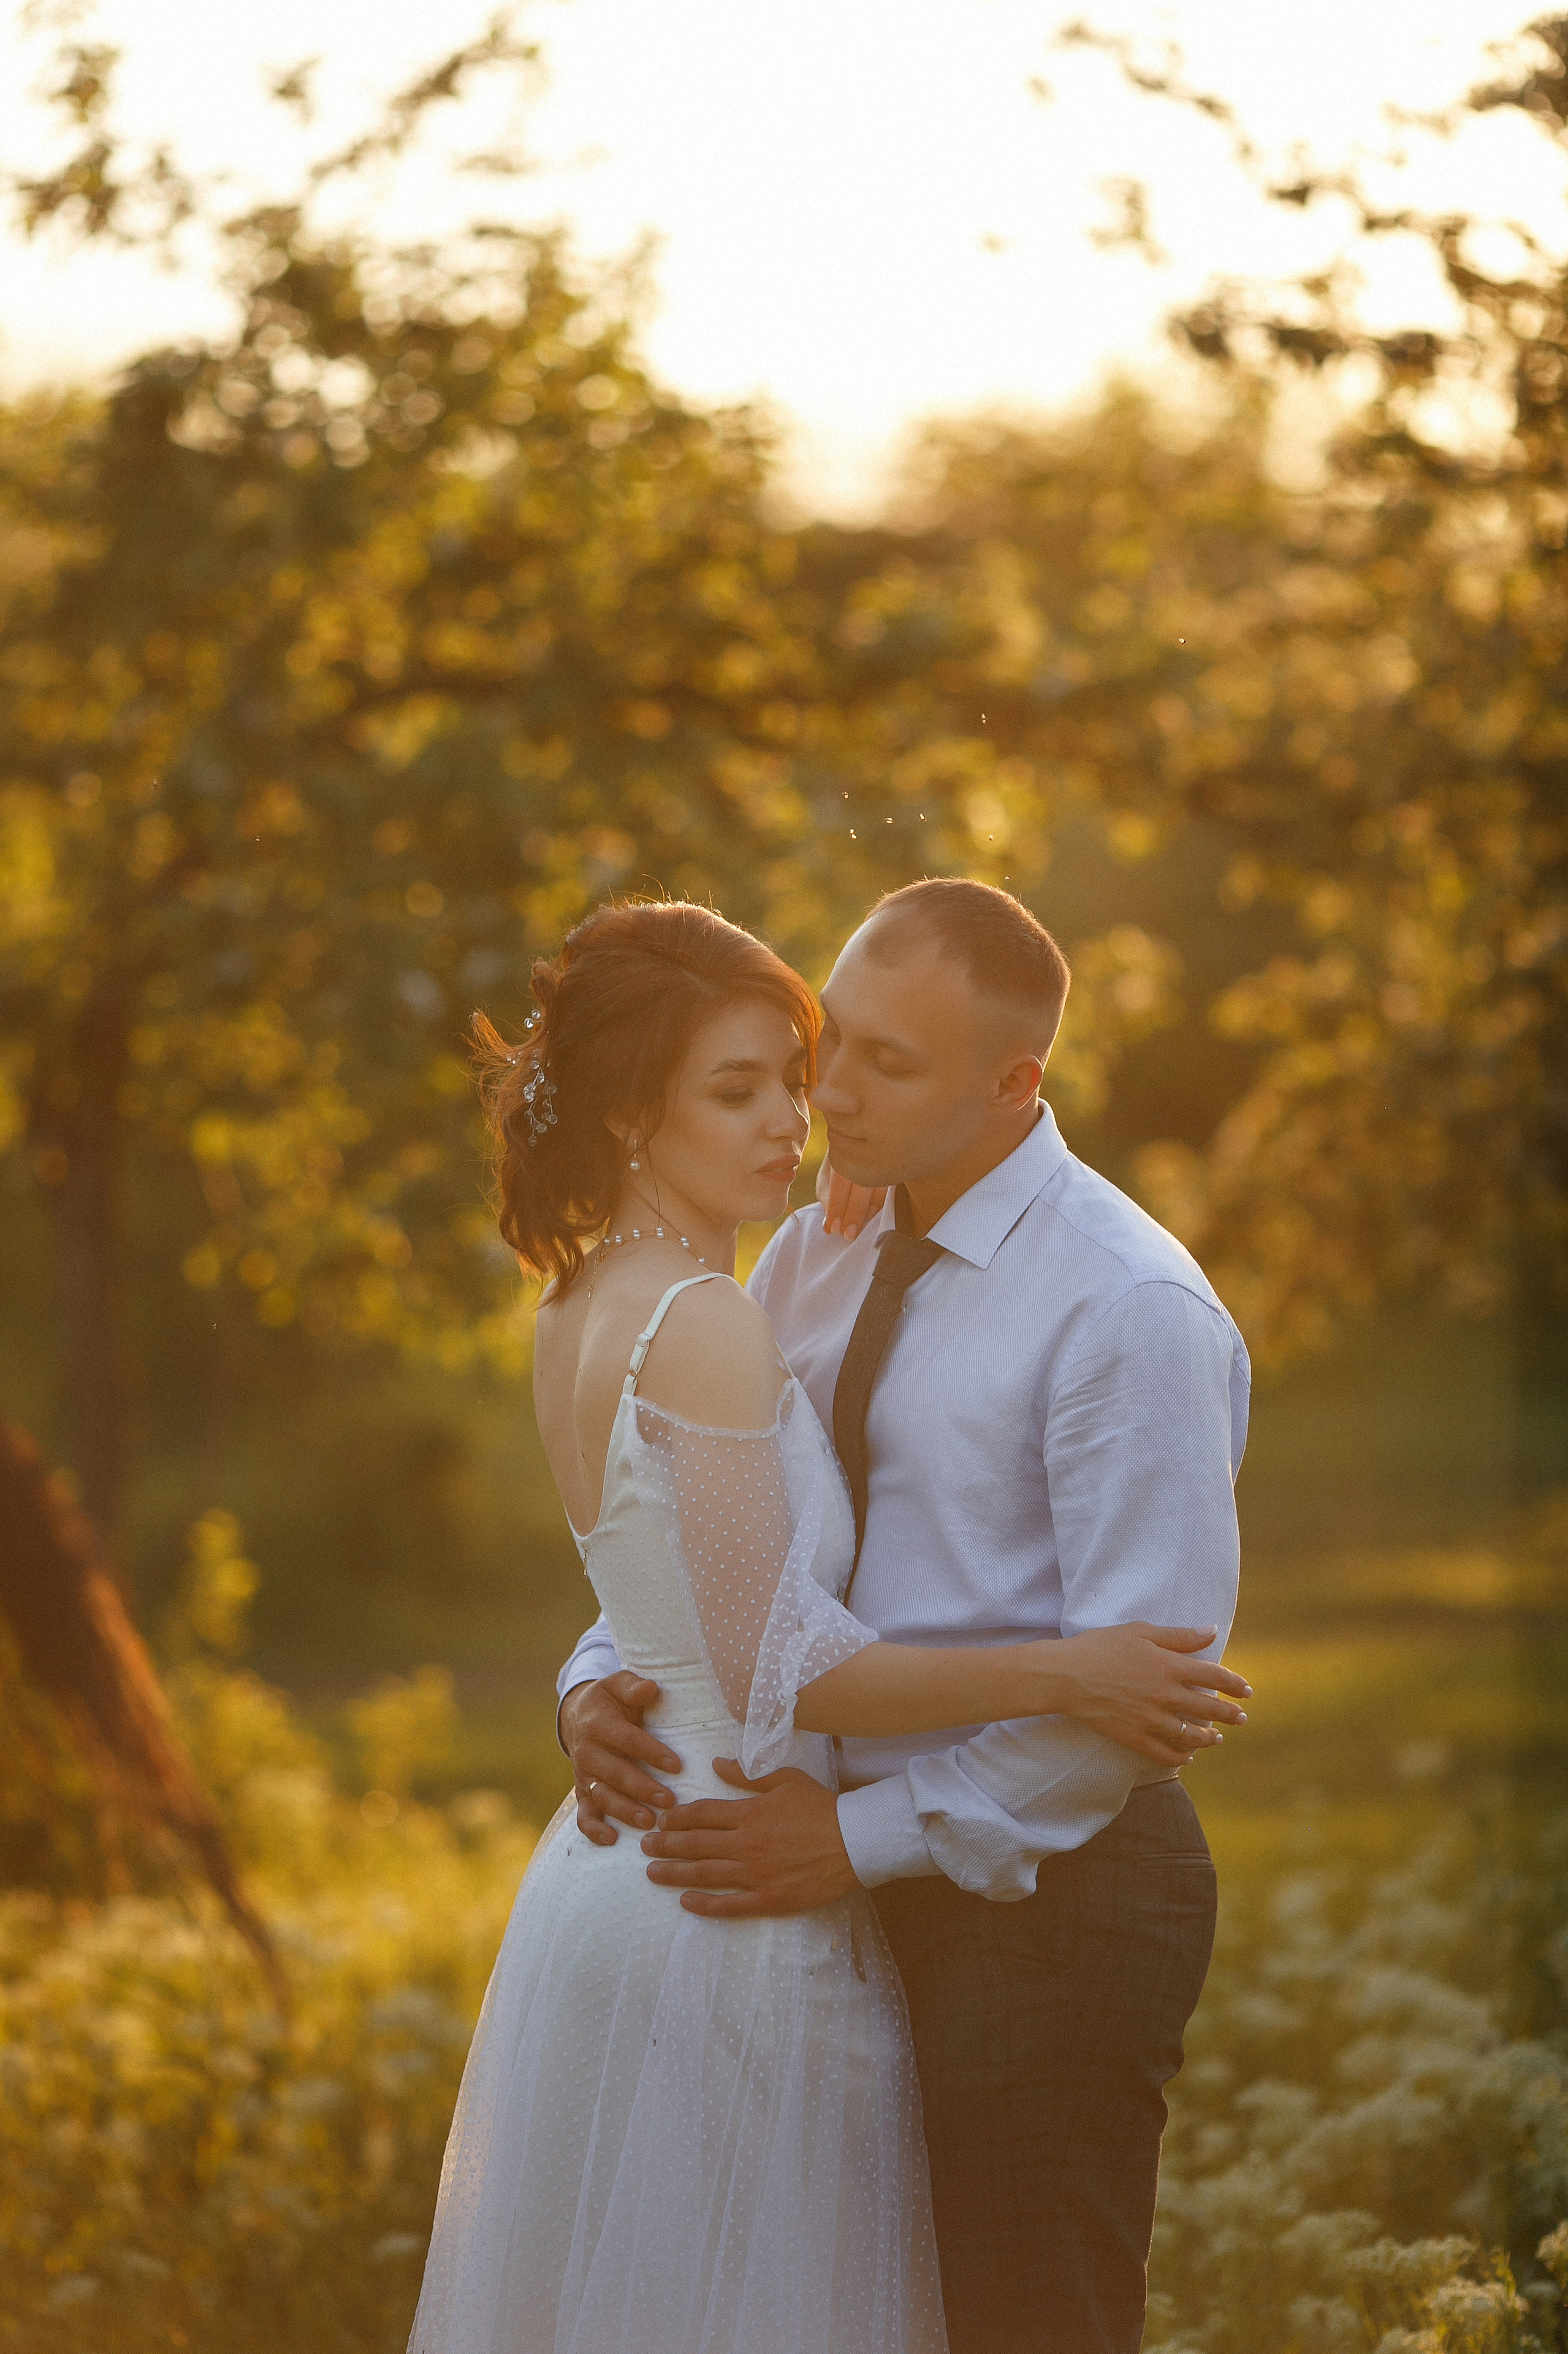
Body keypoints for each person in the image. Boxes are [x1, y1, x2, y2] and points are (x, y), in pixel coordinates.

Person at [414, 896, 1249, 2354]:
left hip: (1030, 1902)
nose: (825, 1108)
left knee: (1014, 2320)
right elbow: (700, 1559)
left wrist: (846, 1842)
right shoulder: (805, 1255)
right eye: (823, 1052)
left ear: (1012, 1086)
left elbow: (1134, 1706)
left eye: (877, 1069)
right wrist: (599, 1679)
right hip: (773, 1872)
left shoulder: (1125, 1309)